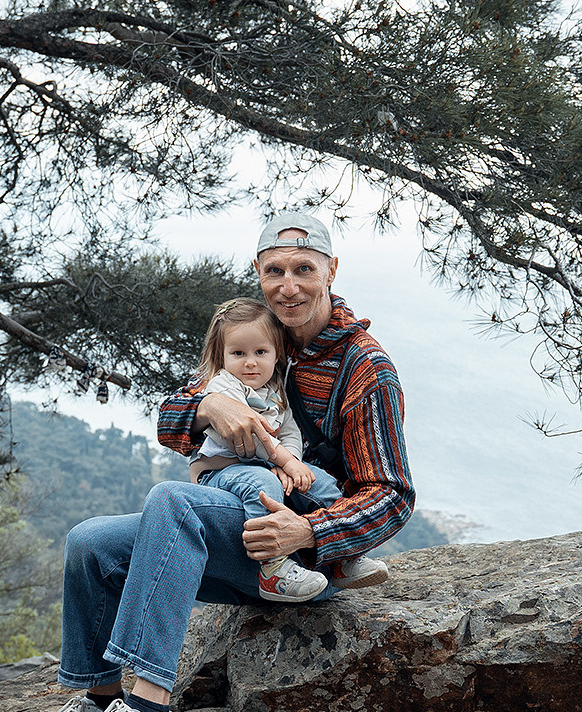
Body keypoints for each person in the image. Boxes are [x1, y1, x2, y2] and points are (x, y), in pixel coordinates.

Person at [56, 212, 413, 712]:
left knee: (172, 499)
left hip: (302, 564)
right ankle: (101, 696)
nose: (288, 287)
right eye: (275, 271)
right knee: (89, 542)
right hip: (233, 534)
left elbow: (393, 497)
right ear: (258, 272)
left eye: (304, 270)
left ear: (331, 270)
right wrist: (206, 407)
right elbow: (168, 423)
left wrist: (307, 533)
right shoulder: (256, 338)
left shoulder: (364, 370)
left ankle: (147, 702)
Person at [186, 297, 382, 603]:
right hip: (223, 470)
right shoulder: (224, 386)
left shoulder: (275, 389)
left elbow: (289, 431)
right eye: (238, 353)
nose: (250, 362)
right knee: (263, 486)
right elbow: (258, 436)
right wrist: (286, 463)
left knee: (323, 484)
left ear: (277, 355)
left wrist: (290, 463)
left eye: (260, 352)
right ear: (221, 356)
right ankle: (272, 569)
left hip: (265, 464)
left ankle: (343, 558)